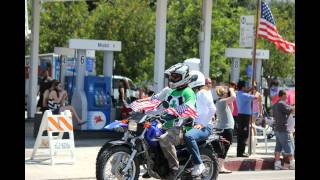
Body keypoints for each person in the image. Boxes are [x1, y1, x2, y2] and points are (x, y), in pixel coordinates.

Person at [158, 63, 197, 179]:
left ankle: (174, 168)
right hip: (167, 125)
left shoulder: (188, 91)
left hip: (181, 127)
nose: (172, 79)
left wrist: (173, 111)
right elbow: (157, 102)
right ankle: (155, 164)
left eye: (175, 77)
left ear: (184, 77)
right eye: (171, 77)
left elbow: (190, 106)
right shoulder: (171, 91)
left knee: (164, 139)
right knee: (150, 135)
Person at [184, 71, 216, 176]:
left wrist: (202, 124)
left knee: (189, 136)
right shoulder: (195, 93)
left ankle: (199, 164)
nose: (189, 81)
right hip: (195, 125)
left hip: (205, 127)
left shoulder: (203, 93)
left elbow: (213, 109)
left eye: (191, 79)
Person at [271, 90, 295, 170]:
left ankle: (277, 164)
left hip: (277, 128)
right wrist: (293, 107)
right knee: (288, 146)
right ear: (283, 95)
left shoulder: (275, 105)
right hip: (283, 128)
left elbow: (273, 113)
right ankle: (292, 164)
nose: (287, 96)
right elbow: (290, 110)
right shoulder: (282, 104)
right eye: (286, 95)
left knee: (278, 147)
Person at [215, 86, 236, 173]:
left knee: (224, 147)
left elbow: (231, 111)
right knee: (224, 147)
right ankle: (220, 167)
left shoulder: (222, 102)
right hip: (225, 128)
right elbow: (234, 97)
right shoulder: (222, 101)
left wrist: (230, 102)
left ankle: (220, 166)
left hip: (226, 128)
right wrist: (232, 90)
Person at [236, 80, 259, 157]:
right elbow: (256, 97)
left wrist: (250, 89)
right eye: (246, 86)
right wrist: (256, 91)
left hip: (241, 115)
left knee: (241, 135)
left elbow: (247, 92)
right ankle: (241, 153)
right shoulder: (244, 95)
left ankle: (240, 152)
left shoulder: (239, 93)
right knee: (244, 135)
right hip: (244, 117)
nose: (247, 88)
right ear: (243, 87)